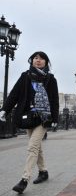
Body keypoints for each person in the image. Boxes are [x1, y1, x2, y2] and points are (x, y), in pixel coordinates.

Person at [0, 51, 59, 193]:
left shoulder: (50, 79)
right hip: (28, 117)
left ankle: (24, 179)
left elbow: (54, 100)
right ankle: (43, 172)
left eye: (41, 59)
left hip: (43, 118)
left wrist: (55, 119)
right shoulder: (25, 76)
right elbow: (14, 94)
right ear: (31, 61)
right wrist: (4, 110)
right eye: (35, 58)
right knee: (37, 147)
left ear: (46, 62)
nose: (38, 61)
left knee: (32, 147)